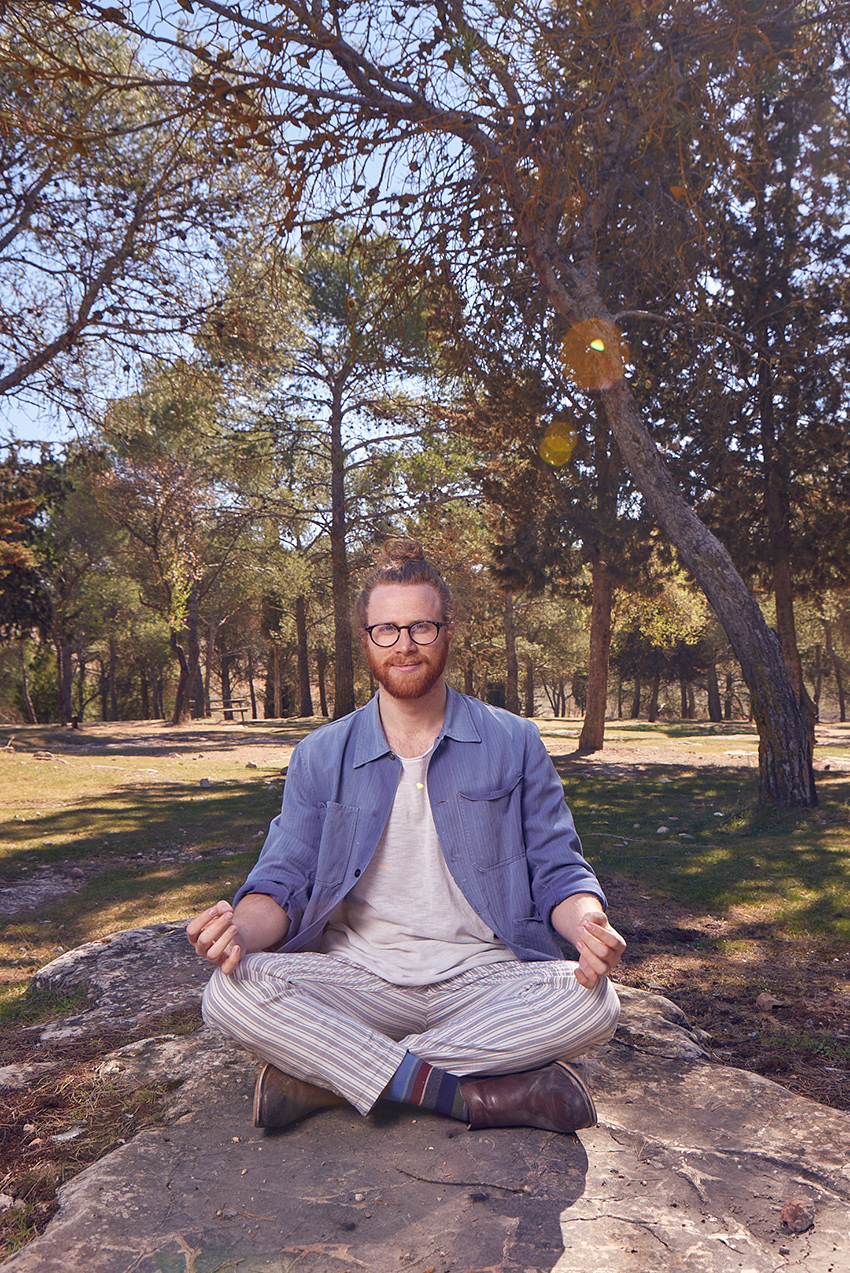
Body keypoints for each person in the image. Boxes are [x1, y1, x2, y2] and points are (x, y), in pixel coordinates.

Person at [188, 540, 625, 1135]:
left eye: (420, 625)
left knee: (594, 1003)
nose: (405, 645)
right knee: (229, 992)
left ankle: (330, 1077)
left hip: (485, 977)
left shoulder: (514, 740)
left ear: (447, 632)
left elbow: (559, 870)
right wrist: (236, 929)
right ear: (367, 640)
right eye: (387, 629)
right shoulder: (321, 754)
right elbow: (282, 883)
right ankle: (472, 1098)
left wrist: (588, 926)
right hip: (359, 980)